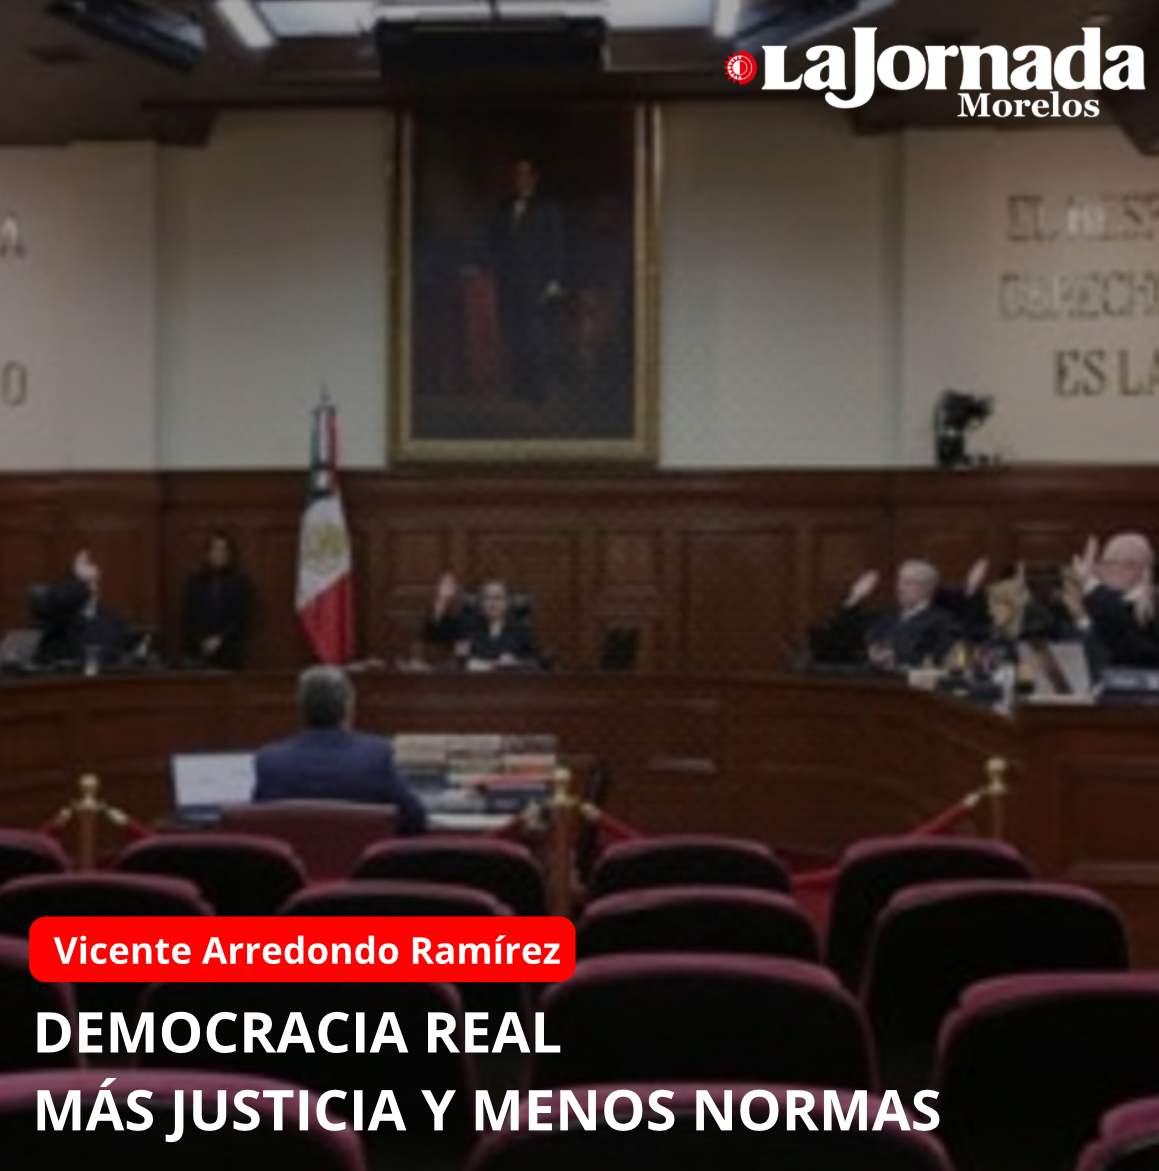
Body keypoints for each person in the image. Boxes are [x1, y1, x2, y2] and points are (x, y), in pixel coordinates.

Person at [252, 666, 426, 834]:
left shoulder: (271, 762)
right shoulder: (375, 757)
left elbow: (257, 825)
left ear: (302, 708)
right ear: (348, 708)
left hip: (294, 855)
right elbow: (415, 818)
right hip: (361, 854)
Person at [486, 157, 566, 404]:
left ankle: (537, 391)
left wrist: (554, 280)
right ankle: (518, 387)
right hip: (509, 281)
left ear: (534, 178)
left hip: (536, 282)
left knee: (536, 337)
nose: (520, 179)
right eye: (516, 175)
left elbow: (556, 245)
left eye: (525, 174)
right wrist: (495, 268)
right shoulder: (502, 208)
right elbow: (494, 244)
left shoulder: (547, 209)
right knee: (514, 334)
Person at [813, 559, 961, 670]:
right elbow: (842, 635)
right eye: (900, 582)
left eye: (908, 583)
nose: (900, 588)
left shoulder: (943, 622)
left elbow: (940, 658)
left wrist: (894, 656)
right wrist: (854, 598)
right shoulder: (885, 617)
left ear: (927, 588)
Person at [31, 549, 138, 669]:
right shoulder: (59, 615)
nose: (91, 587)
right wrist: (79, 582)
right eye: (85, 582)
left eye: (93, 582)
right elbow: (47, 606)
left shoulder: (113, 620)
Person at [1065, 532, 1159, 667]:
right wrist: (1082, 618)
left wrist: (1089, 584)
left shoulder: (1152, 604)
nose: (1100, 571)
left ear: (1132, 567)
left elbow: (1132, 650)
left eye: (1107, 563)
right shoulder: (1104, 603)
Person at [423, 571, 541, 669]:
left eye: (498, 598)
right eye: (487, 598)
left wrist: (515, 662)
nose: (492, 603)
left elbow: (535, 662)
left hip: (508, 685)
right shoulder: (468, 624)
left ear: (507, 602)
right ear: (480, 602)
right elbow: (433, 634)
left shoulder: (519, 628)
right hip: (473, 685)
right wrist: (442, 600)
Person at [182, 530, 254, 669]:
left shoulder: (241, 584)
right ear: (207, 554)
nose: (218, 554)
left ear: (230, 554)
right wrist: (201, 640)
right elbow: (188, 617)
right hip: (198, 653)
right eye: (215, 549)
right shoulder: (195, 583)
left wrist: (220, 640)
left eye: (223, 550)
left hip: (230, 652)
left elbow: (241, 618)